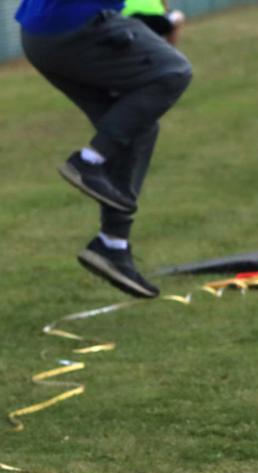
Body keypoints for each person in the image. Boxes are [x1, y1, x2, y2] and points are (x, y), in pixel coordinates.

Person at [16, 0, 193, 298]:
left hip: (39, 36)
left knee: (137, 124)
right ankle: (88, 161)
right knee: (174, 71)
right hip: (74, 26)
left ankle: (112, 244)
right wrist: (166, 20)